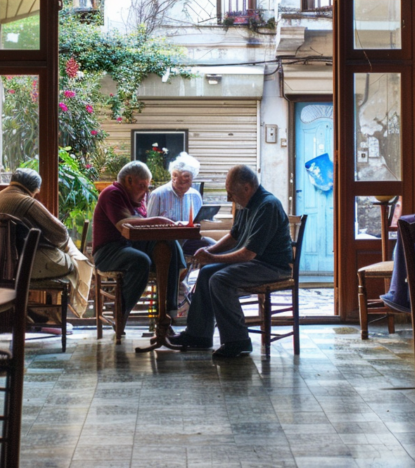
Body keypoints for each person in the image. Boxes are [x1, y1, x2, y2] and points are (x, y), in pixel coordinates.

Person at [170, 165, 293, 358]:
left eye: (231, 193)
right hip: (255, 263)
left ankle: (238, 341)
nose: (229, 198)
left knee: (220, 279)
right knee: (207, 272)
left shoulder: (267, 205)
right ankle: (198, 335)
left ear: (247, 187)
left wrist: (212, 257)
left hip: (272, 267)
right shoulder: (246, 203)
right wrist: (209, 251)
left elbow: (248, 254)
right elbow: (234, 236)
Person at [0, 167, 91, 317]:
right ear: (34, 189)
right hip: (13, 267)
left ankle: (31, 313)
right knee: (72, 263)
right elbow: (60, 234)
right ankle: (54, 315)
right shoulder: (25, 201)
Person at [92, 161, 186, 324]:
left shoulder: (136, 199)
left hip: (130, 245)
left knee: (168, 245)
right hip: (109, 252)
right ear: (129, 180)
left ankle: (167, 313)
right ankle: (121, 313)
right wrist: (158, 220)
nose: (145, 192)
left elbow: (141, 225)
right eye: (142, 186)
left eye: (147, 187)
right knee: (141, 260)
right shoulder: (112, 193)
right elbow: (124, 225)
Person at [146, 152, 215, 255]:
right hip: (165, 242)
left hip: (189, 240)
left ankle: (201, 271)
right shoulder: (158, 194)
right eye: (175, 177)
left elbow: (199, 223)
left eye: (185, 180)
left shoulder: (195, 195)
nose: (179, 183)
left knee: (214, 246)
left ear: (192, 179)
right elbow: (148, 225)